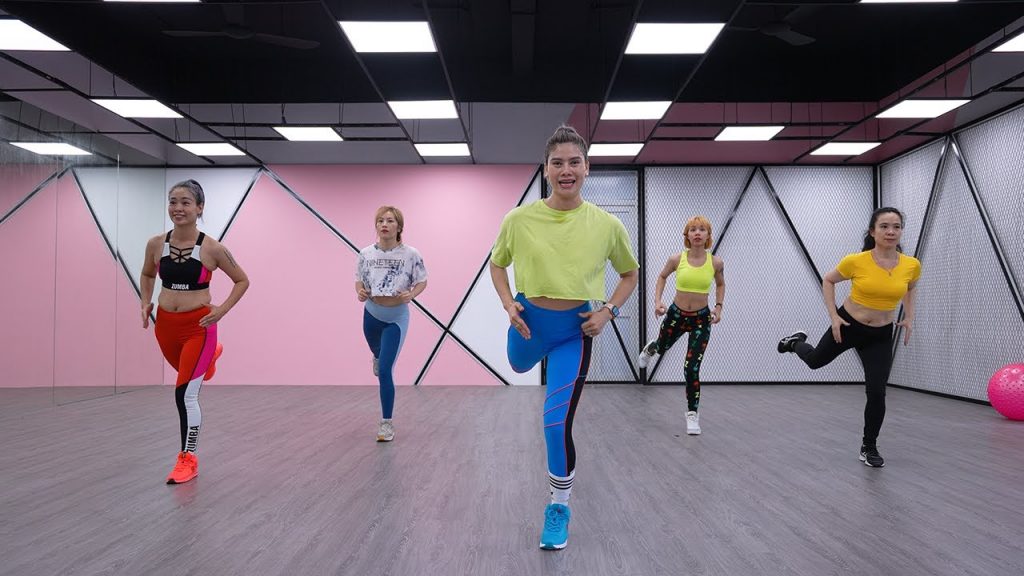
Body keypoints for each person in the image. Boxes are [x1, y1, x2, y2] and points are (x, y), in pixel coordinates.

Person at [489, 125, 639, 550]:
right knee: (518, 364)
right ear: (546, 169)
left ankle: (558, 508)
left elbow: (629, 274)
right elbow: (497, 264)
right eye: (558, 163)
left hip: (574, 333)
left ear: (587, 168)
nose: (566, 170)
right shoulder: (518, 219)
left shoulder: (607, 225)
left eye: (575, 162)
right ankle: (528, 346)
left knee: (555, 424)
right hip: (529, 325)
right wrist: (508, 304)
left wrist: (608, 311)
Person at [777, 207, 920, 468]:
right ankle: (795, 342)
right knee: (815, 362)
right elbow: (828, 280)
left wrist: (910, 316)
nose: (891, 231)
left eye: (896, 227)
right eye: (884, 226)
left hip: (880, 335)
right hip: (848, 325)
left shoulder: (911, 265)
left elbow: (910, 287)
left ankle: (869, 446)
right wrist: (834, 317)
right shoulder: (856, 261)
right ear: (872, 231)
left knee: (877, 392)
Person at [140, 179, 250, 484]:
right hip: (165, 327)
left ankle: (187, 459)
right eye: (173, 202)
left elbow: (242, 280)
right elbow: (148, 273)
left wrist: (221, 310)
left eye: (186, 202)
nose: (178, 208)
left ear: (199, 208)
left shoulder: (213, 248)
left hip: (198, 328)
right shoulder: (155, 244)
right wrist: (145, 302)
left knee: (185, 393)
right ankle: (210, 360)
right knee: (188, 376)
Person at [638, 215, 725, 435]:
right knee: (663, 346)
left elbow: (720, 284)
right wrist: (658, 302)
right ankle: (652, 348)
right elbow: (662, 276)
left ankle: (692, 414)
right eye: (693, 229)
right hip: (676, 315)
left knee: (691, 368)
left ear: (708, 235)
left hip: (701, 320)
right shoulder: (677, 259)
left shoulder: (716, 263)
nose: (697, 233)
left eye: (702, 229)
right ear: (687, 235)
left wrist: (718, 307)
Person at [355, 206, 427, 442]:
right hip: (371, 315)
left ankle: (386, 424)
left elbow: (422, 281)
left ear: (399, 227)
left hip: (396, 318)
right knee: (378, 354)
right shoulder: (366, 254)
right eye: (380, 221)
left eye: (390, 220)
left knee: (385, 371)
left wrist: (412, 294)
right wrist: (360, 292)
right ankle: (376, 356)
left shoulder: (410, 254)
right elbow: (358, 281)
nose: (384, 224)